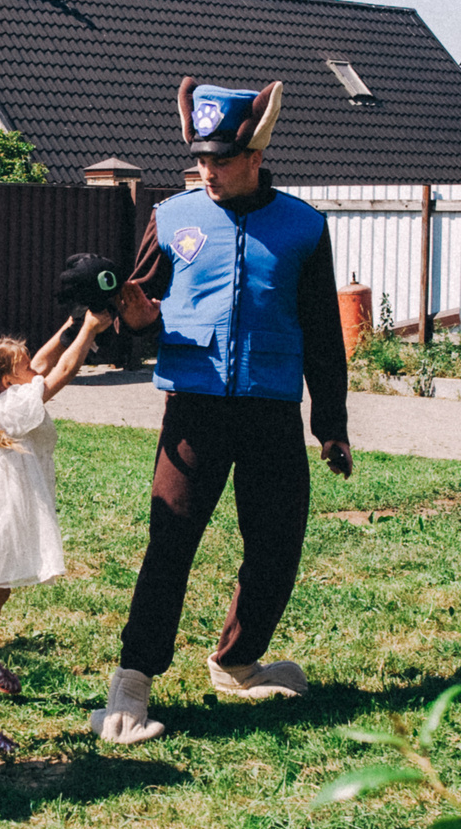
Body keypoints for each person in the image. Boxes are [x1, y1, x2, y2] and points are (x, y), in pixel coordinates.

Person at [92, 77, 354, 745]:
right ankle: (132, 682)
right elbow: (144, 309)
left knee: (275, 546)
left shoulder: (303, 226)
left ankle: (237, 661)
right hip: (194, 411)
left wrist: (331, 426)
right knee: (169, 544)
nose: (207, 171)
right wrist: (127, 305)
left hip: (270, 412)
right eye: (200, 158)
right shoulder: (173, 217)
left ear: (256, 153)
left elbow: (323, 334)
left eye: (221, 159)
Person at [0, 311, 114, 755]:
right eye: (20, 367)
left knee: (1, 594)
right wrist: (91, 332)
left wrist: (69, 328)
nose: (31, 368)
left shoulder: (0, 398)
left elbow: (39, 363)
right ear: (4, 382)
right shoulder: (13, 407)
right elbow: (59, 374)